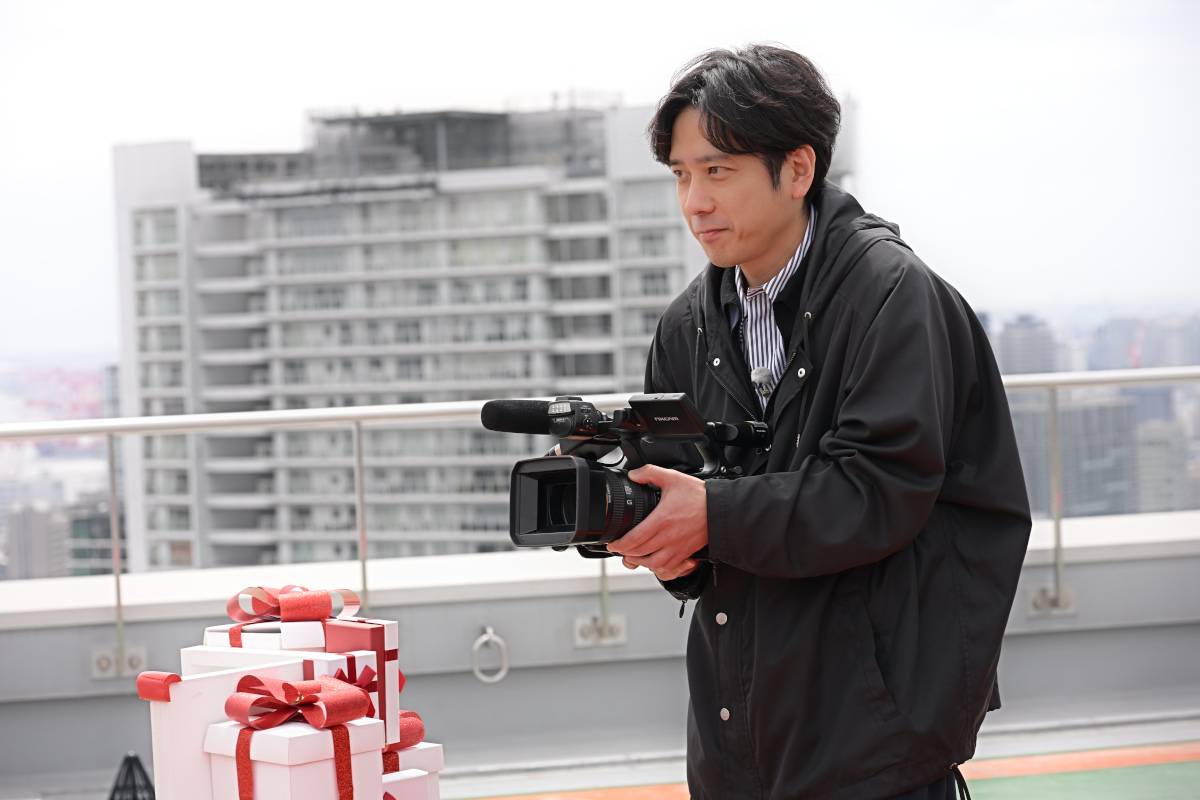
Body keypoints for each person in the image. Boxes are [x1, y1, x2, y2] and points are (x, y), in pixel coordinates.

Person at [606, 45, 1031, 800]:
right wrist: (662, 540)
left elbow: (878, 491)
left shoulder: (893, 295)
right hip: (738, 742)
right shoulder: (687, 326)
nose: (694, 202)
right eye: (681, 175)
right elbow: (698, 527)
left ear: (798, 169)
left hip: (874, 740)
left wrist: (710, 514)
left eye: (718, 171)